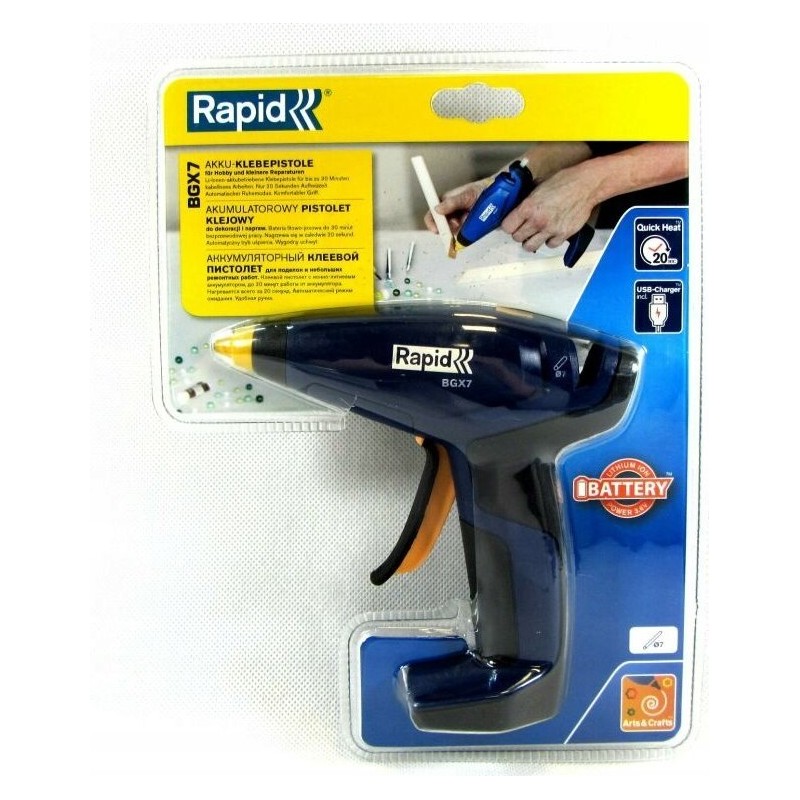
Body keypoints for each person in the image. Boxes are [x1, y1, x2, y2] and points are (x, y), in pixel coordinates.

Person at [425, 142, 689, 253]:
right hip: (614, 233)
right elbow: (595, 134)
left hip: (680, 228)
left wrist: (590, 183)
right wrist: (494, 185)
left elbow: (704, 140)